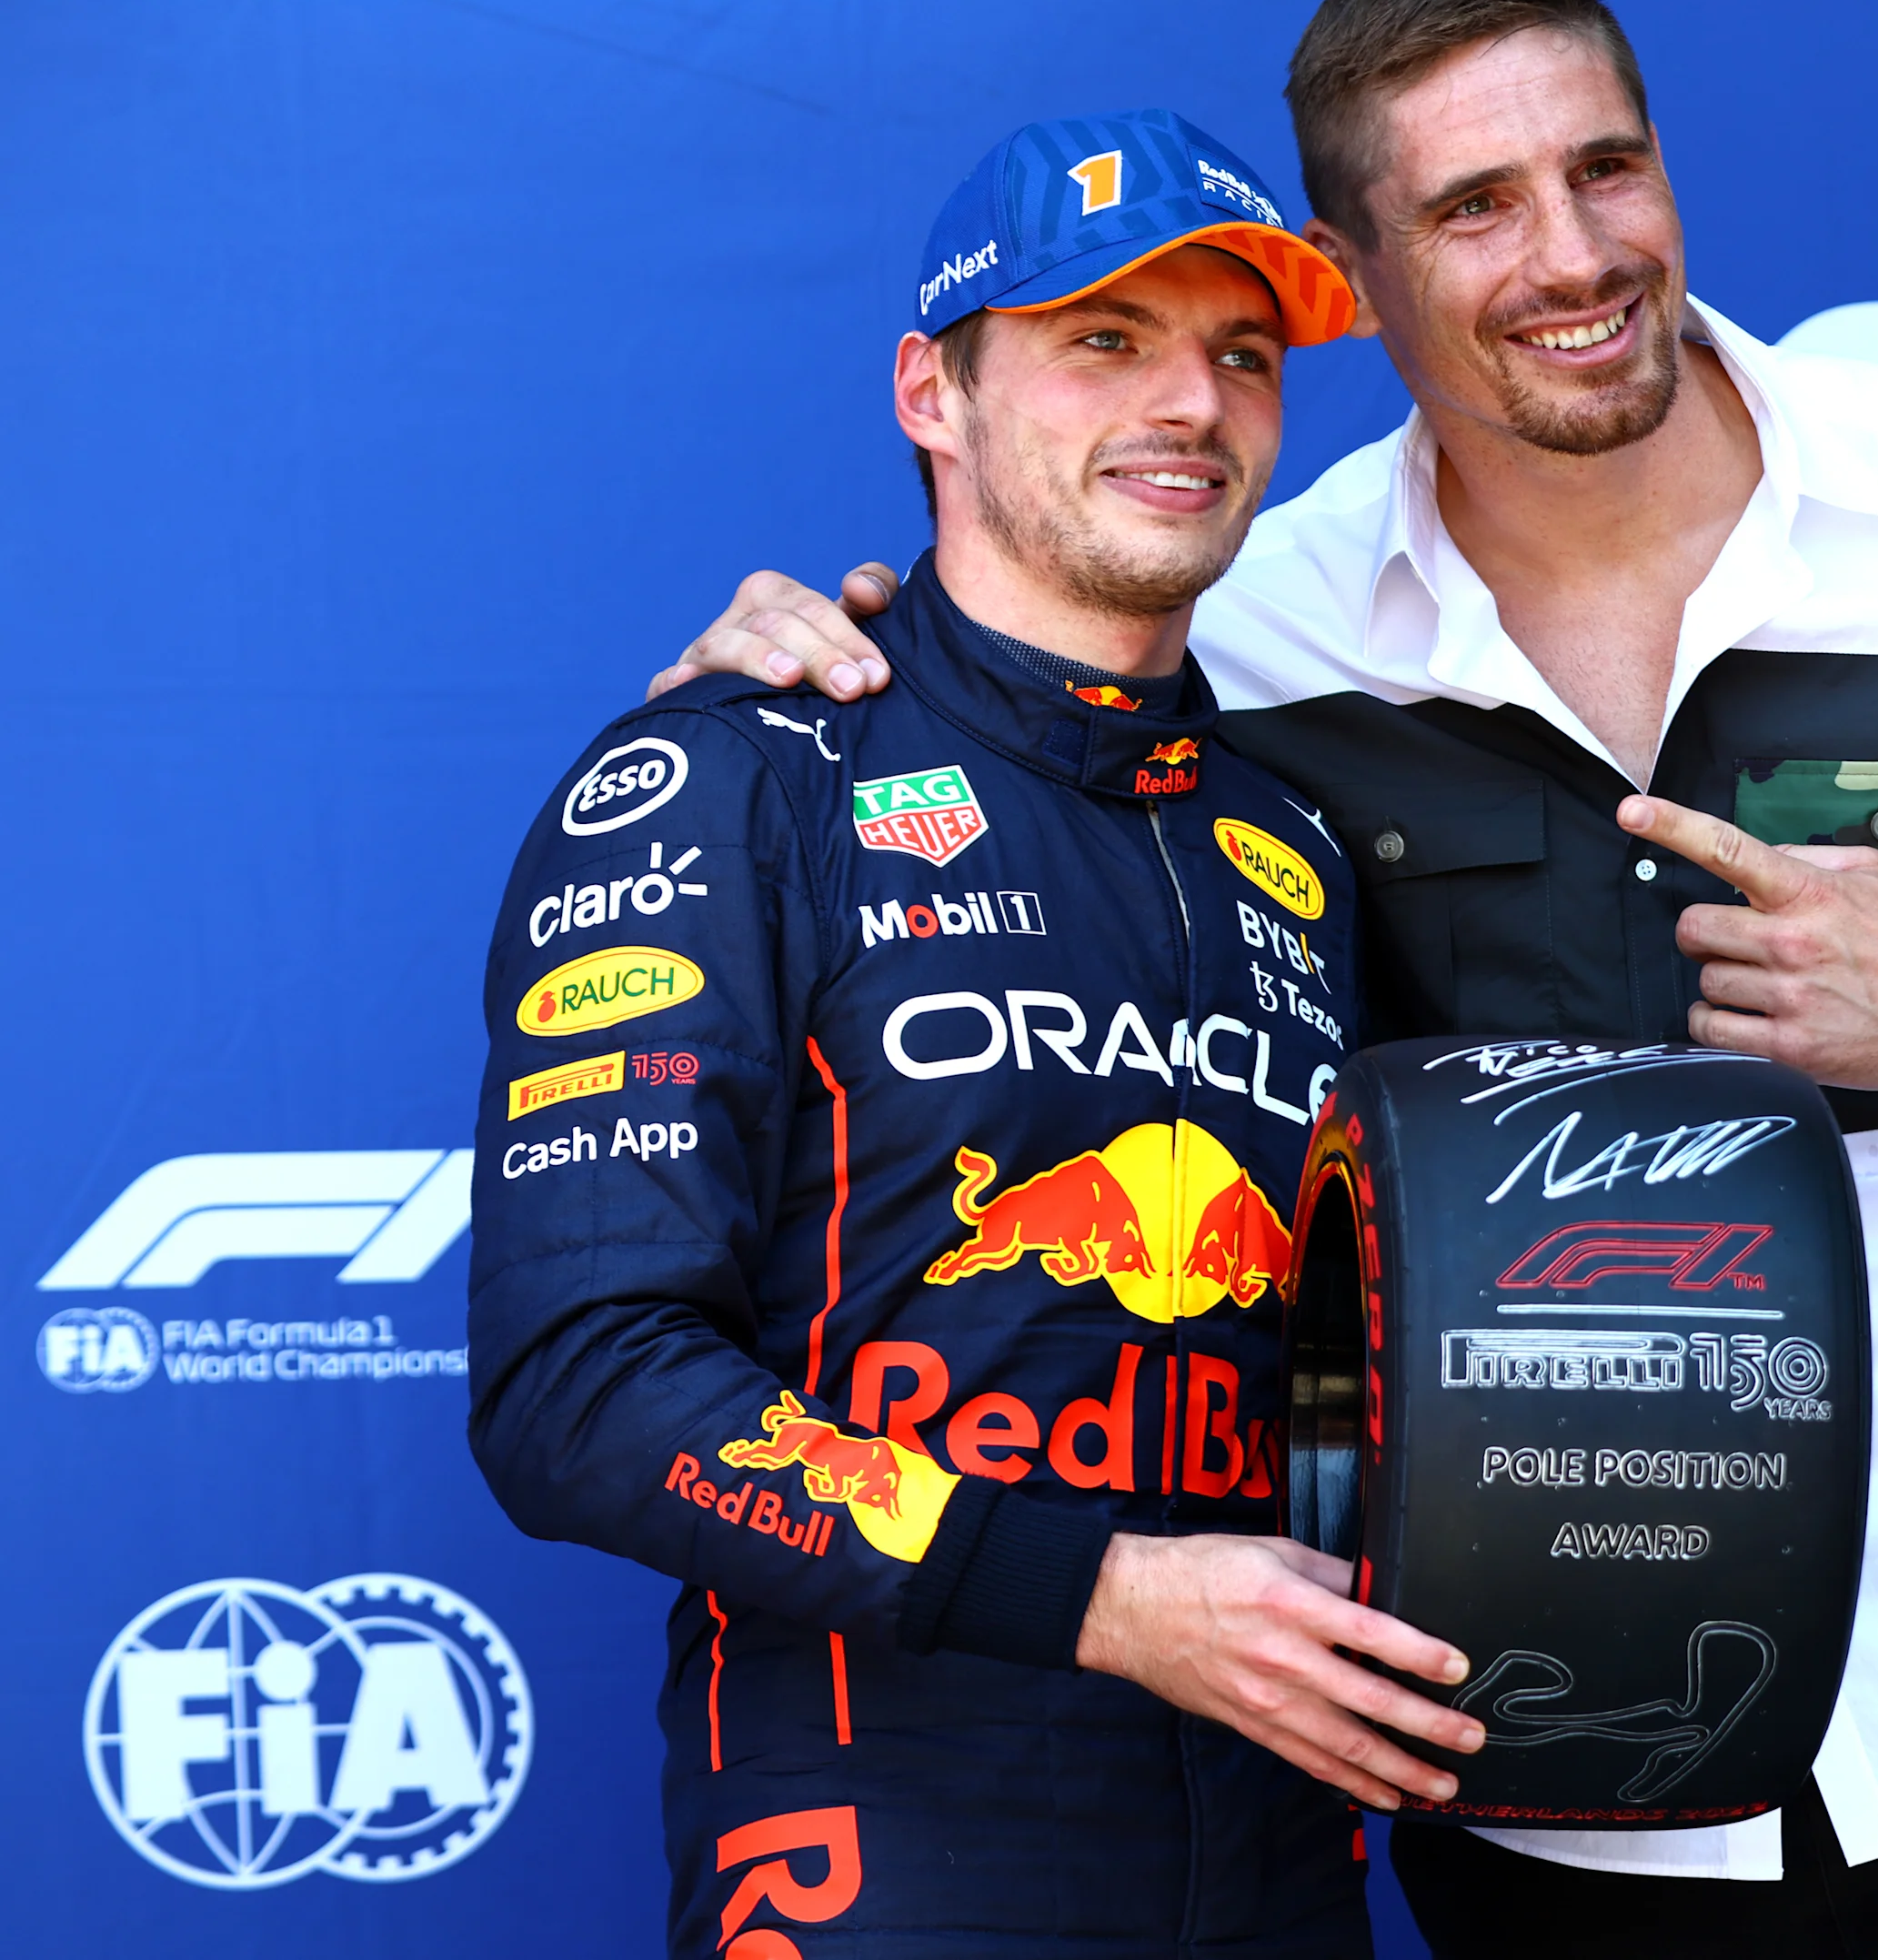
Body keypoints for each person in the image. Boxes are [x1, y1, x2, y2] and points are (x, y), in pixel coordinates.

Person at [664, 0, 1878, 1960]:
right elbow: (978, 684)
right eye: (1472, 208)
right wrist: (788, 691)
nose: (1571, 255)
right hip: (1555, 1785)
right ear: (1350, 278)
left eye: (1607, 170)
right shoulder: (1248, 636)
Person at [470, 108, 1484, 1960]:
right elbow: (581, 1383)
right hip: (890, 1837)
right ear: (930, 392)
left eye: (1241, 354)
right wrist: (1103, 1594)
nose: (1192, 401)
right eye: (1105, 336)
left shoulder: (1302, 844)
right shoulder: (725, 774)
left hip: (1279, 1843)